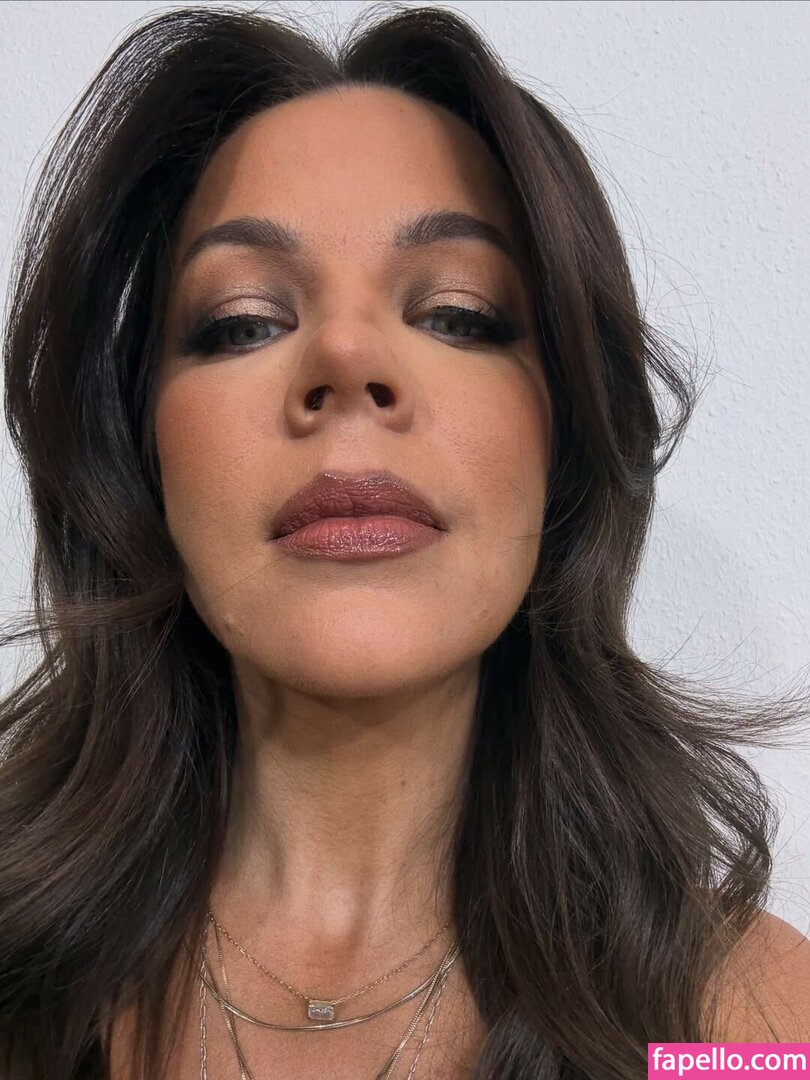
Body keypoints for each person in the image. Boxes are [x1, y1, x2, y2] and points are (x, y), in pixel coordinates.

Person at [0, 4, 808, 1078]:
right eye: (242, 321)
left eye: (459, 314)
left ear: (566, 440)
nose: (346, 356)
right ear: (140, 453)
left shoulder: (751, 1026)